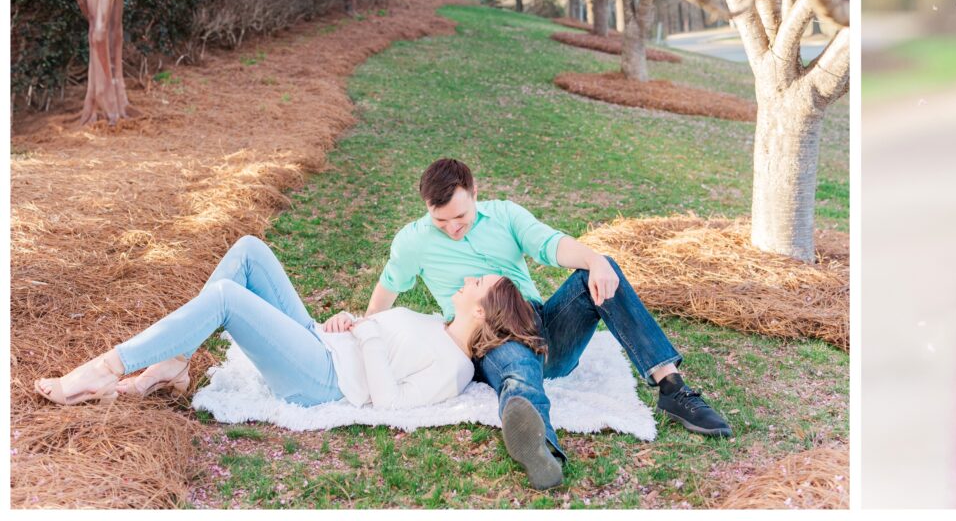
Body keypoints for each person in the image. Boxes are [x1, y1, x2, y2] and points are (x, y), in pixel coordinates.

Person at [360, 159, 732, 489]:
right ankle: (541, 448)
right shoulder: (413, 241)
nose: (452, 228)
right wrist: (363, 329)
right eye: (441, 221)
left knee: (602, 270)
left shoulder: (504, 215)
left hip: (544, 327)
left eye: (460, 217)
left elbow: (550, 245)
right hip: (487, 333)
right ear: (427, 208)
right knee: (516, 366)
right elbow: (387, 289)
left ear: (475, 193)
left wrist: (594, 259)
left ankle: (672, 388)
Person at [35, 233, 525, 413]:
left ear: (480, 312)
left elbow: (389, 402)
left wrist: (368, 335)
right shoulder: (436, 324)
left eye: (478, 283)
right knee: (250, 250)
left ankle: (108, 366)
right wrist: (355, 321)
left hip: (322, 381)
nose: (469, 278)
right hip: (321, 344)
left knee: (226, 297)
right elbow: (382, 335)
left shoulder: (455, 370)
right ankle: (174, 364)